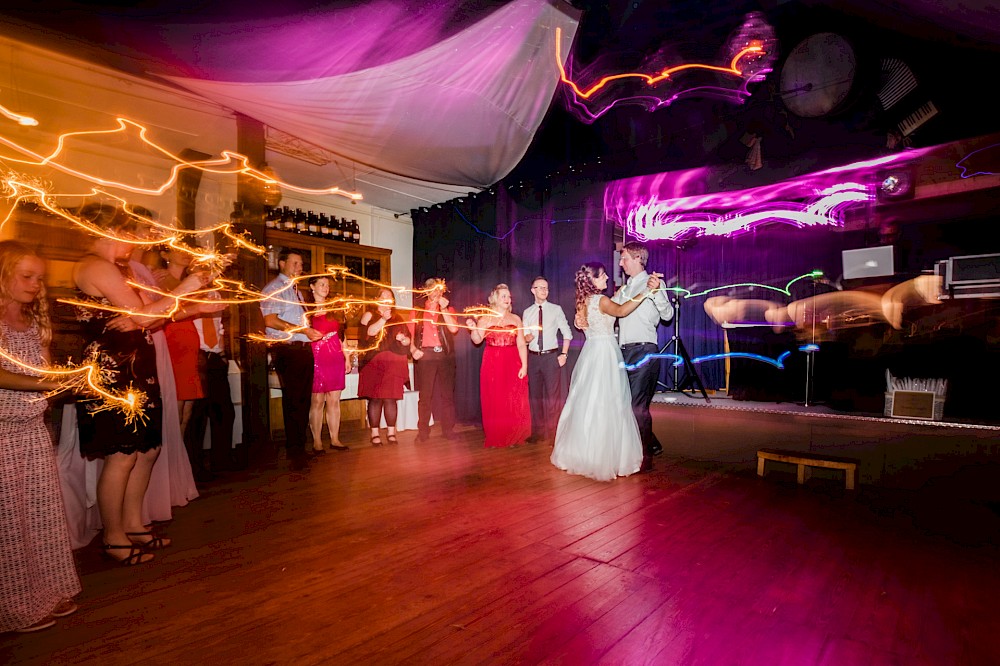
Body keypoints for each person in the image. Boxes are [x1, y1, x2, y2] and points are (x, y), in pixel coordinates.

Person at [72, 203, 207, 564]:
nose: (134, 241)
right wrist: (188, 286)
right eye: (128, 233)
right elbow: (143, 314)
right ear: (108, 231)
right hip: (113, 374)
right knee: (121, 454)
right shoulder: (96, 266)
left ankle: (133, 525)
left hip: (136, 368)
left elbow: (148, 317)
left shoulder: (115, 268)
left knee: (146, 450)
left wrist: (149, 315)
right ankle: (114, 538)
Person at [0, 240, 81, 633]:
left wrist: (63, 379)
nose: (35, 285)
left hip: (32, 431)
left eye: (39, 278)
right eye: (26, 276)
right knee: (8, 525)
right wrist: (48, 382)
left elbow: (42, 371)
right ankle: (14, 607)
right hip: (2, 435)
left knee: (39, 517)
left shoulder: (34, 321)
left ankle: (45, 591)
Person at [550, 261, 652, 481]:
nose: (607, 278)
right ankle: (606, 457)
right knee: (609, 402)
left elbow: (594, 317)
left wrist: (623, 291)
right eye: (603, 275)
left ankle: (583, 453)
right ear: (592, 279)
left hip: (590, 353)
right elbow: (622, 310)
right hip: (605, 352)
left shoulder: (582, 302)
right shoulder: (601, 300)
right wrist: (645, 292)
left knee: (587, 402)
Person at [260, 249, 323, 471]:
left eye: (301, 263)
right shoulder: (275, 288)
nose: (300, 267)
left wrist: (308, 333)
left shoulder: (295, 290)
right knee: (294, 399)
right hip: (288, 349)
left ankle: (299, 448)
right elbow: (270, 320)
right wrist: (303, 331)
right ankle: (295, 452)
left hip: (302, 348)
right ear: (282, 264)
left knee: (302, 399)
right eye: (295, 263)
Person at [613, 241, 672, 471]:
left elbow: (667, 315)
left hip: (644, 350)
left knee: (637, 405)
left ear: (638, 258)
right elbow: (612, 314)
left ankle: (644, 458)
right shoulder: (625, 288)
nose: (621, 262)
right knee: (627, 404)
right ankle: (649, 444)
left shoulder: (654, 283)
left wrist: (656, 292)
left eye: (624, 257)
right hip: (623, 351)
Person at [155, 245, 209, 481]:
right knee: (174, 411)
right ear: (165, 255)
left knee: (186, 412)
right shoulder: (159, 279)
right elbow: (169, 313)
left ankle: (178, 468)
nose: (185, 252)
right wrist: (197, 307)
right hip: (172, 343)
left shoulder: (189, 281)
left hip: (188, 348)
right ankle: (167, 472)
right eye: (177, 249)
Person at [466, 283, 530, 447]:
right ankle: (496, 436)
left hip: (512, 360)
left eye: (509, 296)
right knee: (494, 398)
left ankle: (513, 436)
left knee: (512, 399)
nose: (507, 299)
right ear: (495, 298)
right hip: (493, 361)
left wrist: (524, 366)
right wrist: (473, 329)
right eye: (504, 296)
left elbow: (521, 344)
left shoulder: (516, 319)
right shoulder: (485, 319)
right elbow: (477, 340)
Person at [521, 276, 573, 443]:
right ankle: (537, 432)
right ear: (533, 290)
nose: (544, 290)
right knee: (535, 397)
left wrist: (564, 354)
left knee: (552, 398)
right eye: (540, 287)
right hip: (534, 358)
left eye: (546, 288)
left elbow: (567, 333)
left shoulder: (555, 309)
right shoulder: (527, 312)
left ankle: (553, 434)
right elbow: (524, 337)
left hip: (551, 357)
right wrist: (527, 337)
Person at [189, 295, 237, 474]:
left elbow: (220, 328)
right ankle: (196, 465)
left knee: (224, 412)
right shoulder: (188, 295)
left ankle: (222, 460)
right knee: (197, 415)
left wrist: (223, 355)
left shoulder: (217, 295)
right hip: (196, 358)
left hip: (216, 359)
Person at [357, 288, 411, 446]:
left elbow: (408, 340)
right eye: (384, 296)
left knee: (390, 399)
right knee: (375, 399)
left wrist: (404, 340)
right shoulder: (370, 315)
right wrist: (384, 319)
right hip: (374, 362)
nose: (387, 299)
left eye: (390, 297)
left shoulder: (398, 317)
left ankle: (391, 432)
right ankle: (375, 433)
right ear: (377, 299)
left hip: (394, 362)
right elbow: (370, 332)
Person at [408, 278, 459, 441]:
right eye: (432, 289)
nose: (436, 292)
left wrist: (444, 309)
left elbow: (454, 329)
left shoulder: (449, 309)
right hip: (426, 355)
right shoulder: (416, 312)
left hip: (445, 355)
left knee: (447, 396)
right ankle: (423, 431)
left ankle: (448, 430)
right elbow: (409, 335)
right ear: (426, 291)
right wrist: (413, 349)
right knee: (425, 396)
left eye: (439, 289)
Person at [306, 275, 351, 452]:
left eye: (327, 285)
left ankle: (335, 439)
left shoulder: (336, 309)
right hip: (316, 357)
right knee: (317, 400)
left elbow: (342, 336)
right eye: (321, 284)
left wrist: (347, 357)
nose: (326, 287)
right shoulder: (305, 310)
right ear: (312, 287)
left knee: (334, 400)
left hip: (335, 358)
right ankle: (317, 440)